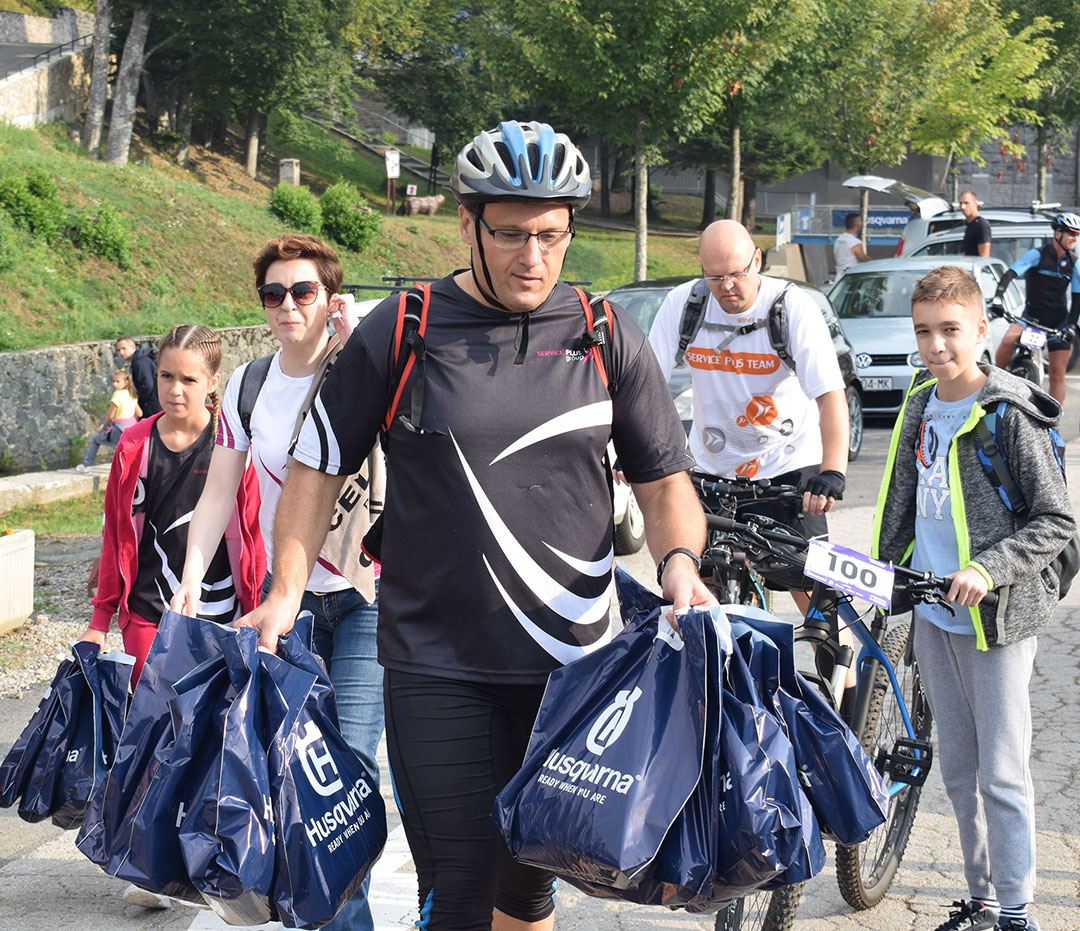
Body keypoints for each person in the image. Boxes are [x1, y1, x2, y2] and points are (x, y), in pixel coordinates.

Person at [240, 120, 713, 931]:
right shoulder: (408, 326)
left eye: (552, 235)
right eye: (512, 234)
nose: (534, 256)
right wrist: (285, 591)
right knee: (459, 892)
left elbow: (665, 481)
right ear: (467, 223)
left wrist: (678, 564)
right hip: (436, 663)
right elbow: (317, 467)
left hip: (571, 671)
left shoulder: (604, 332)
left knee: (527, 891)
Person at [170, 233, 382, 931]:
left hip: (369, 594)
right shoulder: (248, 385)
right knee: (295, 773)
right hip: (285, 603)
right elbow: (218, 491)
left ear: (331, 298)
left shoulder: (366, 368)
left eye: (303, 291)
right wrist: (191, 577)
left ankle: (346, 921)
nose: (288, 305)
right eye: (273, 293)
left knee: (347, 771)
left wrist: (360, 347)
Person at [873, 265, 1074, 931]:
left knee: (1003, 775)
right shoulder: (919, 401)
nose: (936, 345)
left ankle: (1017, 912)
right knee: (959, 771)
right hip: (933, 615)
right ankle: (983, 900)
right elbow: (902, 502)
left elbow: (1056, 520)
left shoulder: (1008, 412)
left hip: (996, 622)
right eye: (923, 332)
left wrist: (988, 570)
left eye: (950, 330)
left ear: (981, 329)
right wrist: (881, 575)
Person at [79, 324, 265, 910]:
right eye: (165, 376)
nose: (175, 389)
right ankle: (146, 866)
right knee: (152, 738)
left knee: (211, 740)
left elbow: (252, 532)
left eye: (188, 379)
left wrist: (259, 609)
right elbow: (117, 533)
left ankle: (207, 858)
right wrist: (100, 617)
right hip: (148, 614)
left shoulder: (232, 446)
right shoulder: (135, 444)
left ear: (213, 383)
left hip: (220, 615)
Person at [648, 219, 849, 616]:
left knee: (813, 594)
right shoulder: (684, 305)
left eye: (737, 274)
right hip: (710, 470)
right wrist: (633, 449)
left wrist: (832, 471)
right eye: (714, 277)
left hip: (786, 467)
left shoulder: (790, 308)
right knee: (699, 594)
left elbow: (830, 397)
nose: (727, 286)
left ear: (757, 260)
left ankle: (834, 660)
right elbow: (646, 385)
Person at [992, 213, 1080, 406]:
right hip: (1031, 317)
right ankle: (996, 378)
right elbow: (1010, 274)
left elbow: (1077, 299)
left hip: (1058, 321)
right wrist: (998, 298)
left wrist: (1071, 326)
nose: (1074, 238)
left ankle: (1054, 419)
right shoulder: (1038, 254)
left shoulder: (1075, 263)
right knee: (1008, 339)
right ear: (1057, 233)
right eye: (1071, 233)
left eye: (1077, 234)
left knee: (1058, 374)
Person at [76, 370, 140, 471]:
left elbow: (110, 416)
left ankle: (87, 465)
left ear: (125, 382)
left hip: (119, 428)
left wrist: (103, 427)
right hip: (131, 429)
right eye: (113, 381)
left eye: (117, 381)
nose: (114, 384)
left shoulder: (117, 395)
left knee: (95, 439)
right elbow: (140, 413)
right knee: (124, 449)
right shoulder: (132, 395)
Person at [115, 336, 161, 417]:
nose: (121, 352)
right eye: (119, 350)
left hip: (152, 406)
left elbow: (147, 386)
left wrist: (137, 399)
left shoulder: (140, 362)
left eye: (124, 348)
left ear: (133, 347)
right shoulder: (142, 359)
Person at [832, 212, 870, 279]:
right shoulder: (855, 242)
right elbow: (864, 260)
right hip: (850, 278)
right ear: (858, 224)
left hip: (838, 277)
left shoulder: (838, 240)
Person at [959, 190, 991, 258]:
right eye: (961, 203)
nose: (962, 207)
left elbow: (984, 257)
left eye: (966, 203)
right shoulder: (968, 224)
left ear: (975, 204)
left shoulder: (981, 225)